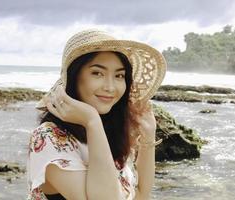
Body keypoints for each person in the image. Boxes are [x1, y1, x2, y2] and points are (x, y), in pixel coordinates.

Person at [27, 29, 166, 200]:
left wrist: (148, 137)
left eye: (119, 75)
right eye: (97, 73)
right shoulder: (49, 138)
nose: (110, 87)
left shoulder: (109, 133)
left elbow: (142, 195)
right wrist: (91, 120)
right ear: (74, 76)